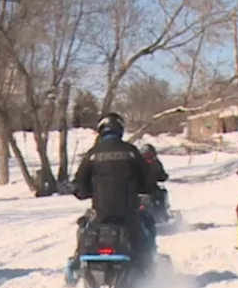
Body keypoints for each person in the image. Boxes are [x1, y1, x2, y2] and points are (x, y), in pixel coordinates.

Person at [67, 112, 156, 277]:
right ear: (120, 129)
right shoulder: (131, 152)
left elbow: (80, 187)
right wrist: (146, 188)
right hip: (128, 212)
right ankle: (148, 268)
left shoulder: (92, 154)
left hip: (100, 213)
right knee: (147, 227)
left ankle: (76, 265)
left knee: (84, 230)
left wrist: (84, 191)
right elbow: (148, 181)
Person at [139, 142, 170, 219]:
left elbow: (162, 176)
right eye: (146, 157)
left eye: (150, 157)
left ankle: (161, 214)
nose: (149, 160)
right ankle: (162, 215)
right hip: (146, 190)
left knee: (161, 194)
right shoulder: (154, 163)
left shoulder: (137, 163)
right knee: (161, 194)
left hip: (141, 190)